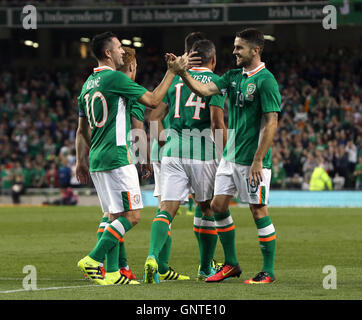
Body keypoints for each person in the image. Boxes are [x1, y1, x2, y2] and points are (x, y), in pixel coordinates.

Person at [171, 28, 281, 284]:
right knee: (218, 206)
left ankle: (268, 271)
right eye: (233, 47)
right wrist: (183, 73)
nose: (233, 52)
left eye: (239, 47)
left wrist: (257, 159)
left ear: (255, 50)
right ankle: (231, 263)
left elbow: (271, 123)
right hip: (230, 158)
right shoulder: (232, 76)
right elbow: (203, 91)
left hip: (252, 161)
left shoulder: (266, 80)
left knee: (258, 210)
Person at [75, 31, 179, 286]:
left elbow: (82, 130)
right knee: (132, 216)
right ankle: (93, 259)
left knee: (113, 215)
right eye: (119, 47)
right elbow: (154, 101)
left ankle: (114, 273)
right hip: (117, 157)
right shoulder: (113, 78)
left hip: (98, 158)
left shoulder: (88, 84)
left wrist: (82, 159)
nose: (123, 50)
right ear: (108, 53)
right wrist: (172, 72)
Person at [143, 39, 227, 284]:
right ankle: (205, 268)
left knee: (166, 210)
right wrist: (223, 156)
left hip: (172, 151)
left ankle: (152, 258)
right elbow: (216, 123)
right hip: (203, 153)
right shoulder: (216, 83)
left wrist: (161, 142)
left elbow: (155, 115)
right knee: (206, 208)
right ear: (213, 60)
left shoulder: (177, 79)